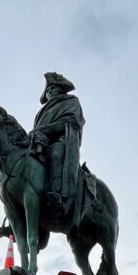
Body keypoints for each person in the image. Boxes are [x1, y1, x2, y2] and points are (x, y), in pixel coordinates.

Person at [30, 72, 85, 219]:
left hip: (61, 140)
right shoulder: (41, 112)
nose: (49, 91)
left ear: (61, 89)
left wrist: (47, 130)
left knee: (55, 154)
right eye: (47, 90)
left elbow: (72, 121)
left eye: (52, 88)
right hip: (40, 142)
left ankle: (58, 197)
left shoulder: (71, 101)